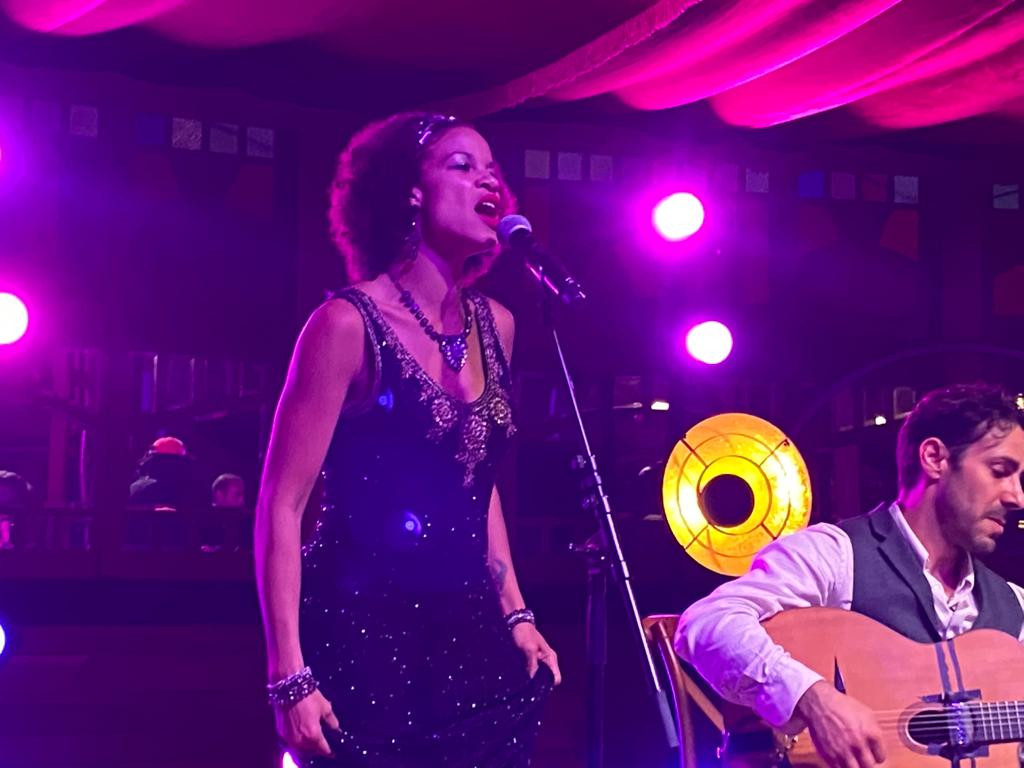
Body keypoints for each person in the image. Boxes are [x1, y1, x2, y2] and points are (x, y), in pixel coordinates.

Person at [255, 112, 560, 767]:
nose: (488, 180)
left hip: (471, 640)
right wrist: (289, 674)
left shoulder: (499, 326)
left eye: (493, 170)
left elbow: (476, 480)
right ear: (410, 192)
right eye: (462, 165)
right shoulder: (345, 324)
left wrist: (517, 611)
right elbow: (282, 504)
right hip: (361, 636)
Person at [676, 382, 1024, 768]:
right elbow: (708, 624)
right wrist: (812, 697)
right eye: (999, 471)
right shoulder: (836, 555)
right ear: (934, 458)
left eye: (1019, 479)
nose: (1017, 497)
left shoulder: (1015, 607)